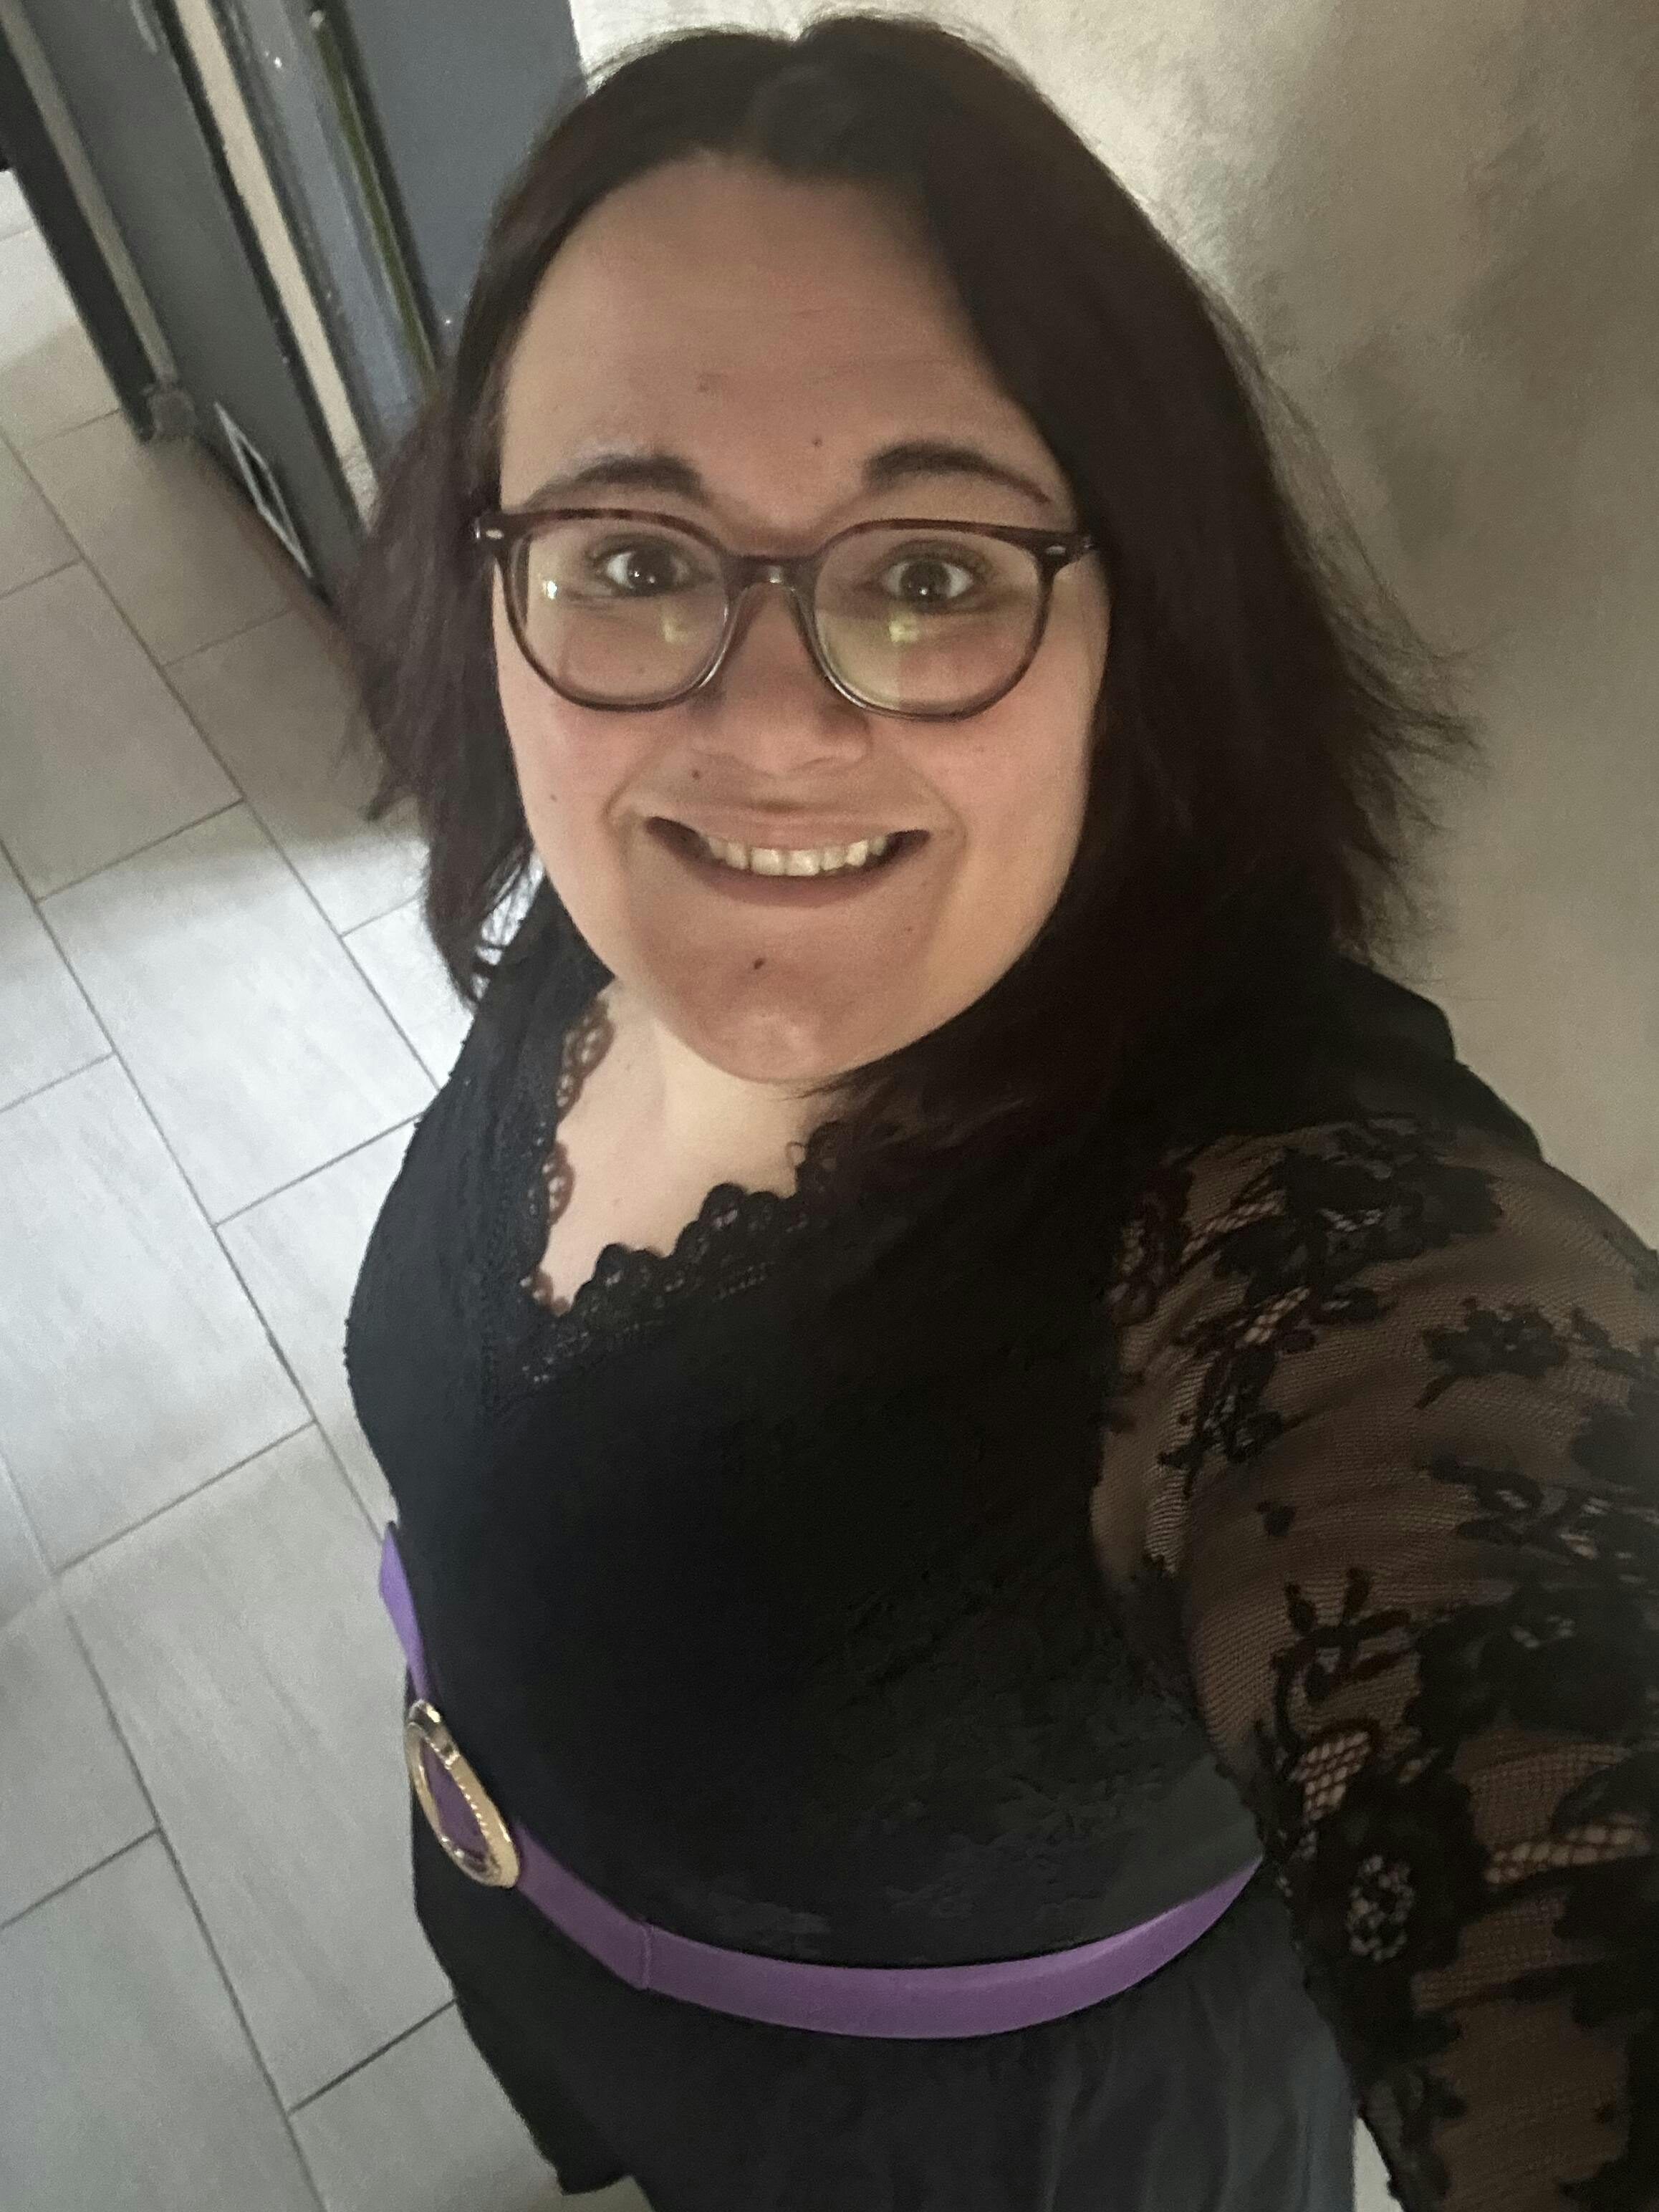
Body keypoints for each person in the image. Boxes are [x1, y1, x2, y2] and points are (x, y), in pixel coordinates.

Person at [338, 15, 1658, 2210]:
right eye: (638, 558)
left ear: (1135, 626)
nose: (765, 733)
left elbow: (1475, 1544)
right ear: (493, 581)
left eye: (931, 573)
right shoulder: (596, 901)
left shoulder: (1270, 1221)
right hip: (569, 1960)